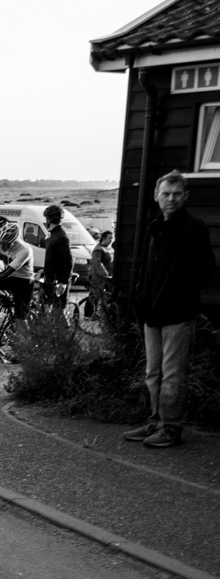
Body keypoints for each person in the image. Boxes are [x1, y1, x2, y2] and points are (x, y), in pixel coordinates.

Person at [126, 171, 216, 448]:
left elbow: (206, 271)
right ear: (156, 196)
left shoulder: (194, 228)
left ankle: (171, 429)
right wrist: (141, 301)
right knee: (153, 373)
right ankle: (156, 422)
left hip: (178, 314)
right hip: (152, 314)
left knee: (173, 374)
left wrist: (178, 292)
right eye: (166, 193)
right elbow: (145, 269)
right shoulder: (155, 228)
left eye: (177, 194)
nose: (171, 199)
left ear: (185, 196)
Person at [40, 204, 72, 311]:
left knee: (58, 311)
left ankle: (66, 328)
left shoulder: (61, 236)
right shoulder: (53, 234)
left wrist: (63, 282)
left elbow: (68, 260)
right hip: (50, 278)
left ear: (48, 219)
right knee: (48, 309)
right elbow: (52, 259)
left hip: (57, 280)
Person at [86, 230, 114, 314]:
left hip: (107, 276)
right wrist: (104, 273)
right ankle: (88, 313)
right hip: (97, 276)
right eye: (110, 238)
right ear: (104, 238)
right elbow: (96, 262)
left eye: (112, 238)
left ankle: (99, 312)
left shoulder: (110, 248)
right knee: (94, 294)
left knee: (103, 295)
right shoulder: (98, 249)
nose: (111, 240)